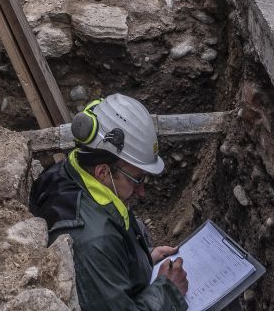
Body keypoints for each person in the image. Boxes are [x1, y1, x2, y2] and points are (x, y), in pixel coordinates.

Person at [29, 94, 188, 311]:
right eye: (137, 179)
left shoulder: (67, 172)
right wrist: (168, 290)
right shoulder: (93, 242)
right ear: (103, 172)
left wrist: (143, 260)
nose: (141, 191)